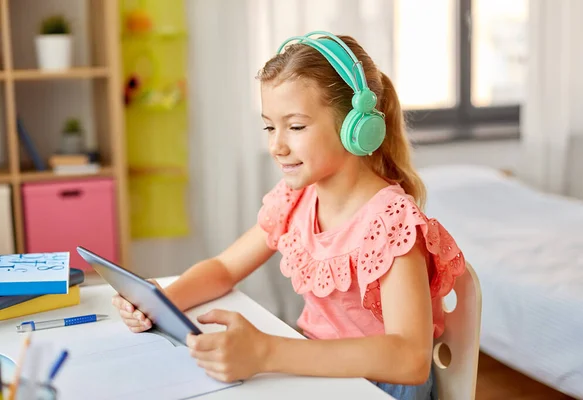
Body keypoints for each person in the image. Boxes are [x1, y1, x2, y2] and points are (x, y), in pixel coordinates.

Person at [112, 31, 465, 400]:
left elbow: (409, 358)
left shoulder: (391, 223)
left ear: (355, 128)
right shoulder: (296, 198)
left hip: (378, 386)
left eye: (295, 126)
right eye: (269, 126)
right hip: (317, 371)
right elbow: (225, 268)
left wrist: (266, 351)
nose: (276, 146)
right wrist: (163, 300)